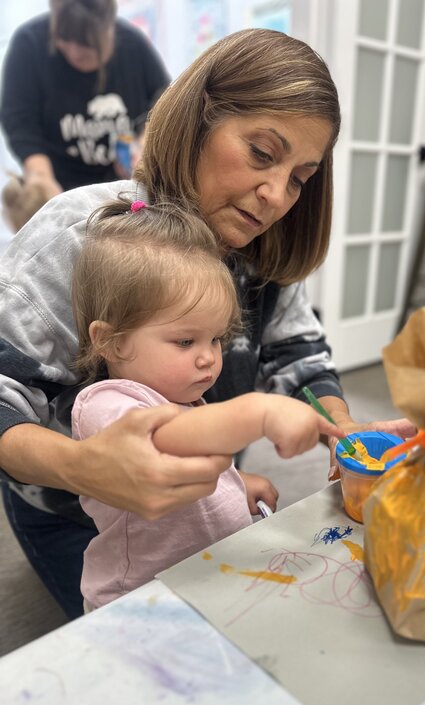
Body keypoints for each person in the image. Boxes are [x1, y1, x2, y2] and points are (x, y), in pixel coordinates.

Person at [0, 27, 415, 620]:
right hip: (73, 516)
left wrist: (340, 426)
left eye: (300, 178)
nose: (276, 196)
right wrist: (82, 468)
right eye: (262, 153)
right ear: (197, 119)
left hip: (205, 494)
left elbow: (297, 357)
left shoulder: (262, 247)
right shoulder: (81, 237)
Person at [71, 198, 343, 611]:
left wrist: (234, 484)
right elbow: (167, 441)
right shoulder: (104, 405)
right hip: (138, 600)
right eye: (185, 341)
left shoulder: (185, 398)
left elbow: (193, 464)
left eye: (215, 339)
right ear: (111, 341)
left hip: (199, 578)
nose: (208, 358)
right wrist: (258, 411)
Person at [0, 0, 170, 193]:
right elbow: (19, 122)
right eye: (64, 41)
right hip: (61, 188)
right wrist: (41, 177)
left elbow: (164, 103)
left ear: (109, 29)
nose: (74, 53)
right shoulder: (29, 45)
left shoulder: (133, 45)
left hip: (123, 187)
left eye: (86, 47)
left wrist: (143, 149)